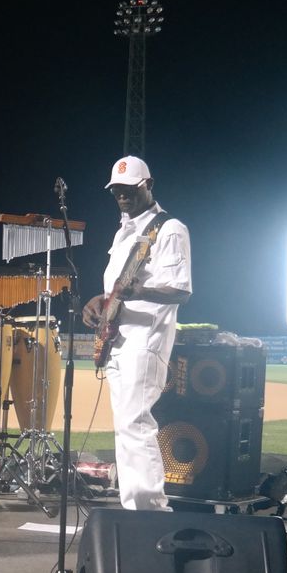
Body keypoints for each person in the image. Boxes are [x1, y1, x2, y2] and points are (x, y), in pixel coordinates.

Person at [80, 155, 191, 511]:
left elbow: (181, 290)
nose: (122, 196)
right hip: (118, 340)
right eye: (116, 190)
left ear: (149, 185)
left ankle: (150, 511)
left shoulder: (169, 229)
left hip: (146, 341)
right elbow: (116, 292)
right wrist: (99, 302)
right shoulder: (124, 232)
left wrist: (139, 291)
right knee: (126, 428)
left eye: (129, 189)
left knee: (135, 423)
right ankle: (134, 507)